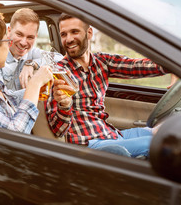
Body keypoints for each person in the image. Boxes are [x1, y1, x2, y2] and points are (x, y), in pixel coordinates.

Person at [45, 14, 168, 158]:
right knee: (159, 144)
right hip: (90, 144)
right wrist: (64, 106)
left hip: (110, 134)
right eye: (64, 34)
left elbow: (140, 67)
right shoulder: (59, 73)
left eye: (74, 32)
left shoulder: (102, 61)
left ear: (89, 33)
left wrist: (175, 67)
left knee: (164, 131)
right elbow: (58, 130)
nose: (69, 39)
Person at [0, 8, 63, 91]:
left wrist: (32, 64)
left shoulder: (33, 53)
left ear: (35, 37)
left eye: (30, 37)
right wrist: (35, 86)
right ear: (9, 31)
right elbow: (3, 96)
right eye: (19, 34)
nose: (23, 43)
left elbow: (60, 59)